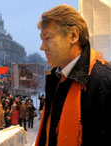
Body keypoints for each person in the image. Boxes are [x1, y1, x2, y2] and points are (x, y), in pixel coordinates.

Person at [35, 4, 111, 146]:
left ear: (73, 35)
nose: (42, 47)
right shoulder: (55, 78)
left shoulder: (104, 80)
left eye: (48, 38)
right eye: (42, 39)